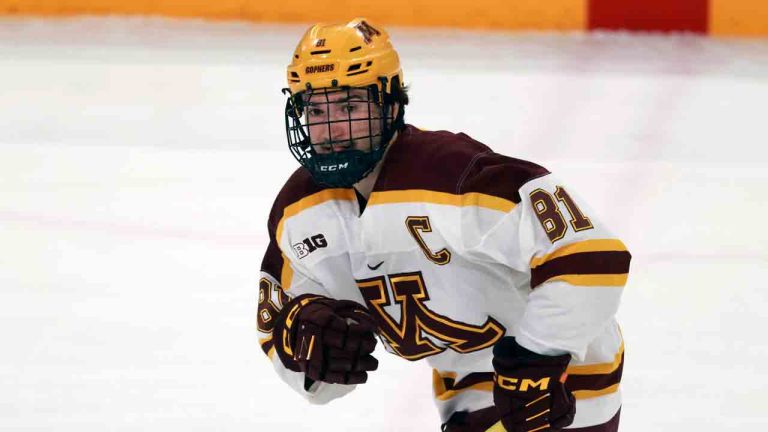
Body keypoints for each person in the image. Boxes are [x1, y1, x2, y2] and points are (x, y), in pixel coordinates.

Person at [257, 17, 630, 432]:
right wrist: (308, 348)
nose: (332, 130)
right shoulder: (299, 211)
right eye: (315, 109)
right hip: (466, 395)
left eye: (349, 105)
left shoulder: (456, 176)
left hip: (564, 385)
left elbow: (594, 256)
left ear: (391, 104)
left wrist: (538, 356)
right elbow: (284, 335)